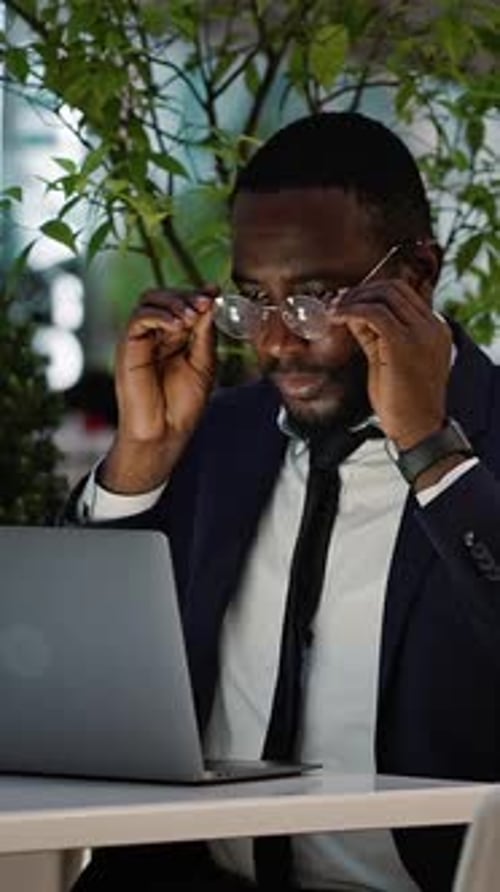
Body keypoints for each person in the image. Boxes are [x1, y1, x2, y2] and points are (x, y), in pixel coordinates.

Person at [69, 112, 500, 892]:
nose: (274, 343)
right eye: (252, 302)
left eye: (314, 300)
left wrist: (432, 452)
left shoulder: (486, 446)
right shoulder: (218, 436)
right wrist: (139, 463)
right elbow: (71, 675)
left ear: (417, 276)